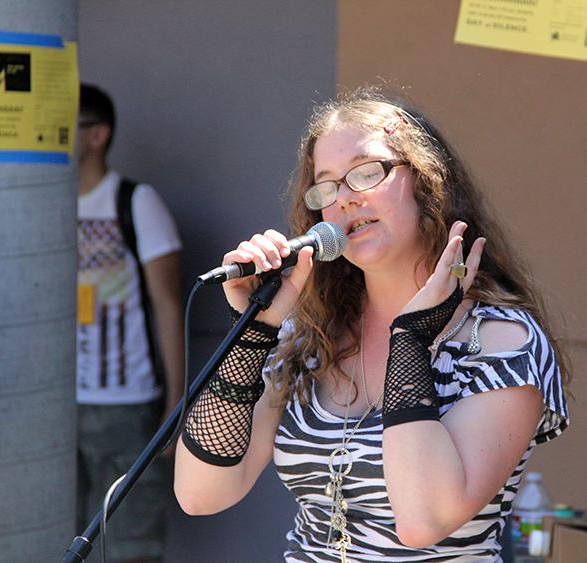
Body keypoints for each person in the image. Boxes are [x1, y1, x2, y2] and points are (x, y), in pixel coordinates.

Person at [174, 87, 570, 562]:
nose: (343, 199)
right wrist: (254, 332)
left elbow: (423, 520)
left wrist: (410, 338)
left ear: (427, 181)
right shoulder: (308, 338)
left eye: (366, 173)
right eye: (326, 185)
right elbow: (201, 494)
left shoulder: (503, 340)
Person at [76, 83, 184, 563]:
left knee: (130, 549)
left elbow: (167, 303)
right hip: (58, 406)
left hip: (129, 405)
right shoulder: (35, 208)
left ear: (97, 135)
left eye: (66, 127)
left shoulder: (135, 202)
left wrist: (176, 405)